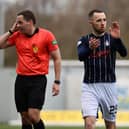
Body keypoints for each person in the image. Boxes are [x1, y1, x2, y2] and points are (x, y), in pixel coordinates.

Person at [0, 10, 61, 129]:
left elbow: (57, 58)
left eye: (20, 22)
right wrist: (11, 31)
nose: (17, 25)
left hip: (37, 80)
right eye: (16, 22)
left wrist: (57, 81)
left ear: (30, 22)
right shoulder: (17, 35)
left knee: (33, 115)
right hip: (21, 80)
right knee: (25, 118)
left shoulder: (47, 35)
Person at [77, 9, 127, 129]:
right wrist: (90, 48)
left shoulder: (112, 39)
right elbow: (81, 56)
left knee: (110, 125)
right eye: (99, 20)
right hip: (90, 87)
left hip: (109, 87)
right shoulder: (84, 40)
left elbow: (124, 53)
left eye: (104, 20)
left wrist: (118, 40)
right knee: (89, 123)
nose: (102, 23)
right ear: (91, 22)